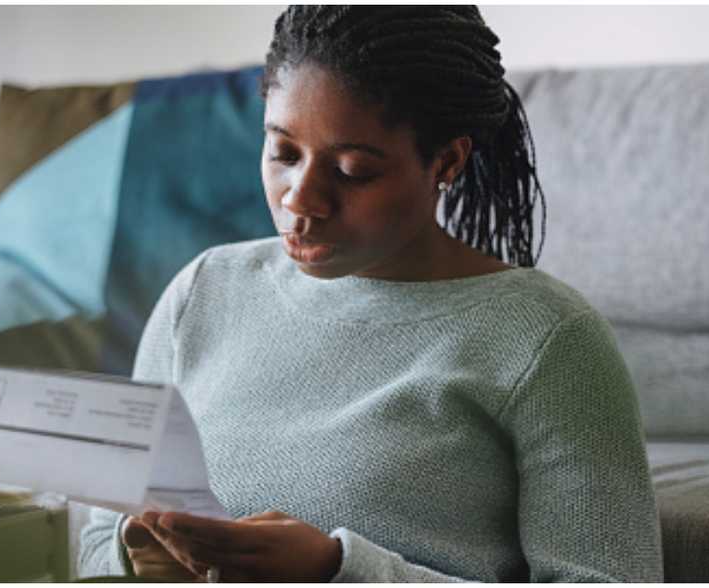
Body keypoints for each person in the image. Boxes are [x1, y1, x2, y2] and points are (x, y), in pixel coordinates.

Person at [78, 5, 662, 582]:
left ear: (446, 161)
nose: (300, 199)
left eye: (354, 170)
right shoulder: (203, 291)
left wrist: (340, 571)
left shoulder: (547, 340)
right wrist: (134, 557)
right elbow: (99, 531)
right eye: (283, 153)